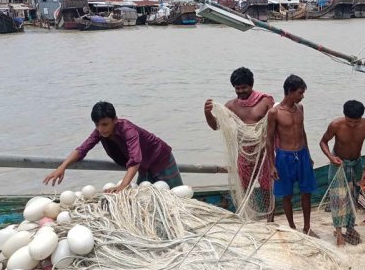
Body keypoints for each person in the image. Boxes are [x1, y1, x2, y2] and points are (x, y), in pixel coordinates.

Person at [43, 101, 182, 193]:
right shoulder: (100, 132)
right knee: (143, 194)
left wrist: (122, 186)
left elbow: (135, 159)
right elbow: (82, 149)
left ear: (115, 120)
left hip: (161, 159)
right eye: (97, 125)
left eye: (105, 124)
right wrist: (62, 167)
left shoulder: (128, 130)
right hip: (144, 167)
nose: (101, 129)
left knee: (178, 193)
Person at [204, 67, 275, 220]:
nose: (241, 91)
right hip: (244, 153)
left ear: (252, 85)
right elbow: (216, 126)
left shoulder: (265, 101)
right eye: (237, 88)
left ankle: (270, 218)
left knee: (267, 187)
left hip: (263, 153)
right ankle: (247, 216)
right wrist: (207, 113)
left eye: (244, 87)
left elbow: (276, 124)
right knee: (243, 187)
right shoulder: (230, 106)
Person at [267, 75, 318, 237]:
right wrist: (272, 164)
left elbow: (303, 132)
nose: (302, 96)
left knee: (306, 192)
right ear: (290, 92)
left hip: (302, 154)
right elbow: (268, 139)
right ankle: (292, 226)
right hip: (284, 156)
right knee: (287, 194)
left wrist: (308, 154)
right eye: (300, 92)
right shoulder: (274, 112)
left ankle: (307, 227)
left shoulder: (300, 108)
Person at [319, 100, 365, 246]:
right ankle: (338, 232)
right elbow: (323, 142)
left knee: (353, 196)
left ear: (361, 118)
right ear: (344, 116)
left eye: (355, 122)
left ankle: (350, 228)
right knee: (338, 197)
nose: (352, 124)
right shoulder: (336, 125)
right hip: (338, 162)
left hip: (356, 163)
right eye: (349, 121)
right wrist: (331, 158)